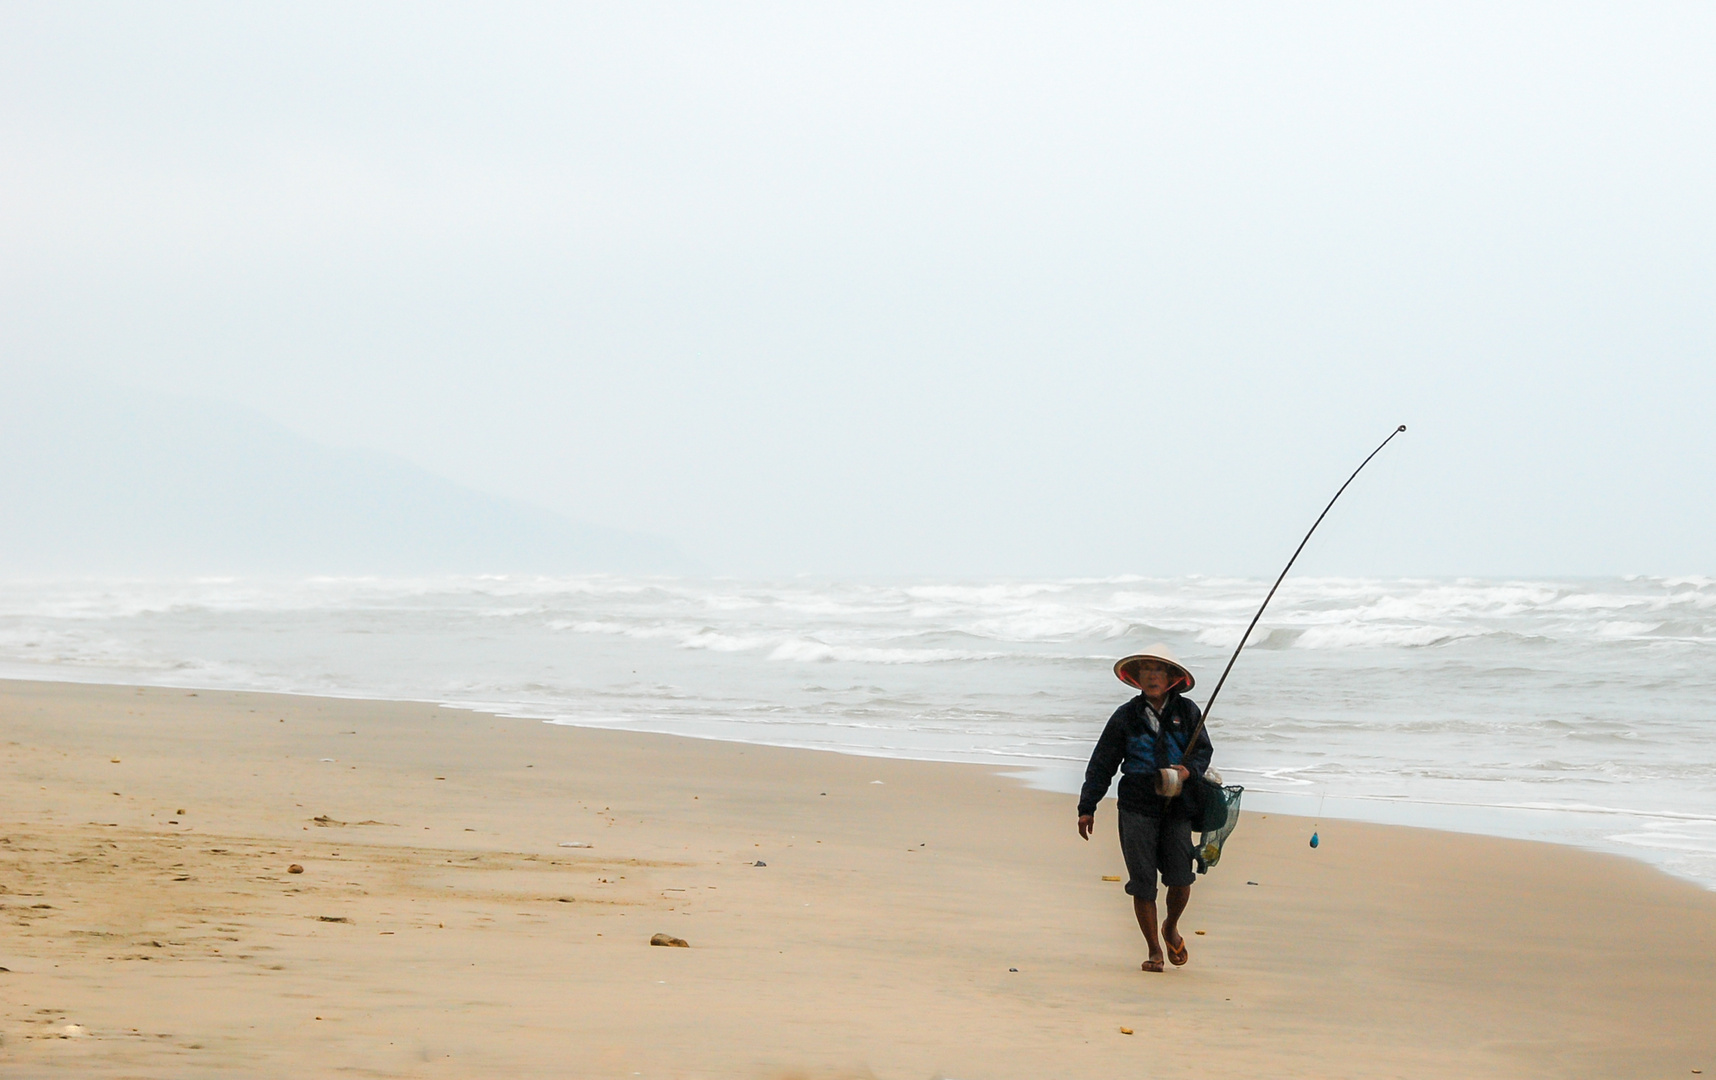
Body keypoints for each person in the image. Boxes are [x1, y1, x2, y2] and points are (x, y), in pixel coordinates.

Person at [1077, 644, 1213, 973]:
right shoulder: (1126, 716)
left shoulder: (1189, 712)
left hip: (1178, 805)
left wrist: (1187, 771)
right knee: (1142, 881)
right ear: (1137, 678)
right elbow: (1102, 762)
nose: (1152, 675)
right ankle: (1154, 949)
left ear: (1171, 678)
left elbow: (1203, 752)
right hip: (1137, 803)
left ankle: (1170, 927)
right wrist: (1087, 806)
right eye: (1146, 670)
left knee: (1181, 878)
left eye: (1158, 670)